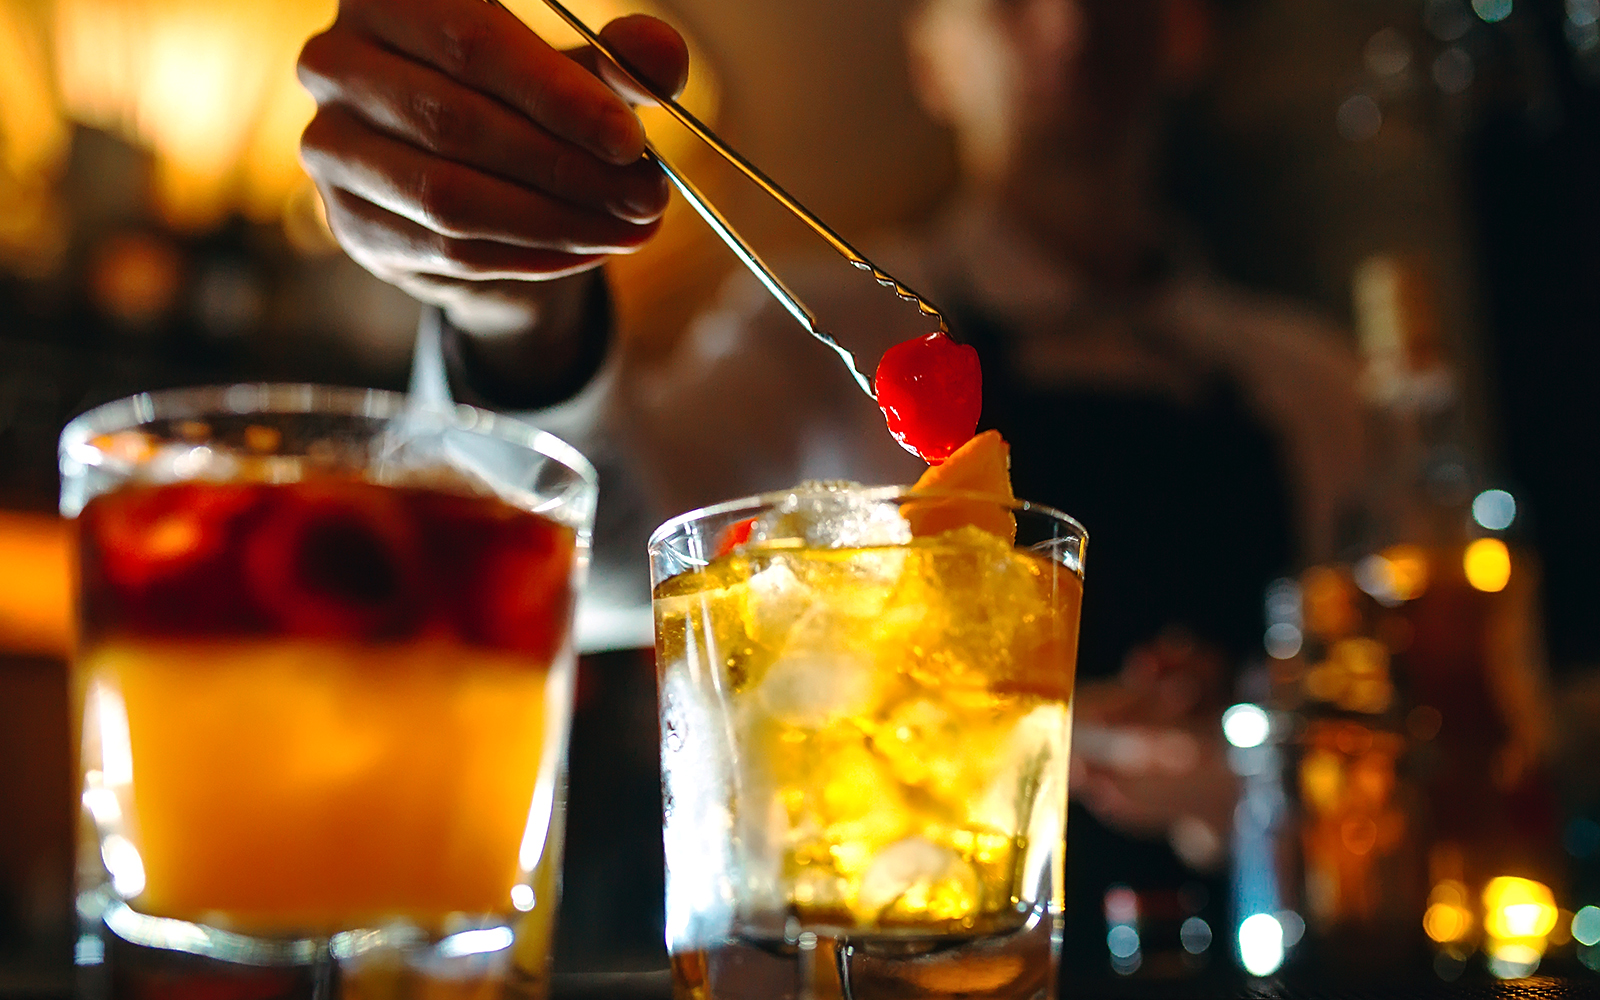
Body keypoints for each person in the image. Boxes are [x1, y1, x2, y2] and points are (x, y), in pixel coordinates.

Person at [298, 0, 1369, 974]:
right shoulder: (818, 334)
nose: (1066, 23)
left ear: (1183, 28)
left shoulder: (1317, 385)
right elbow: (596, 564)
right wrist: (511, 306)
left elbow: (1394, 716)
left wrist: (1261, 768)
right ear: (931, 59)